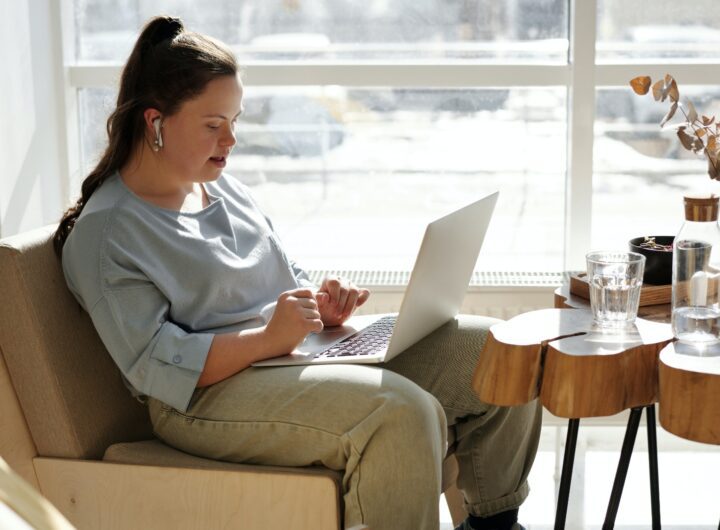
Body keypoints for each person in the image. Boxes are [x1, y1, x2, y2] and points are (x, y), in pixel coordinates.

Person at [54, 16, 541, 530]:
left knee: (499, 350)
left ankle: (494, 525)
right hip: (203, 400)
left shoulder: (222, 188)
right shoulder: (107, 236)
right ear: (155, 123)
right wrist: (268, 339)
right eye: (213, 124)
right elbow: (156, 367)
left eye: (235, 120)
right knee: (400, 413)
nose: (232, 140)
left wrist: (319, 305)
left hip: (290, 358)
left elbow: (285, 278)